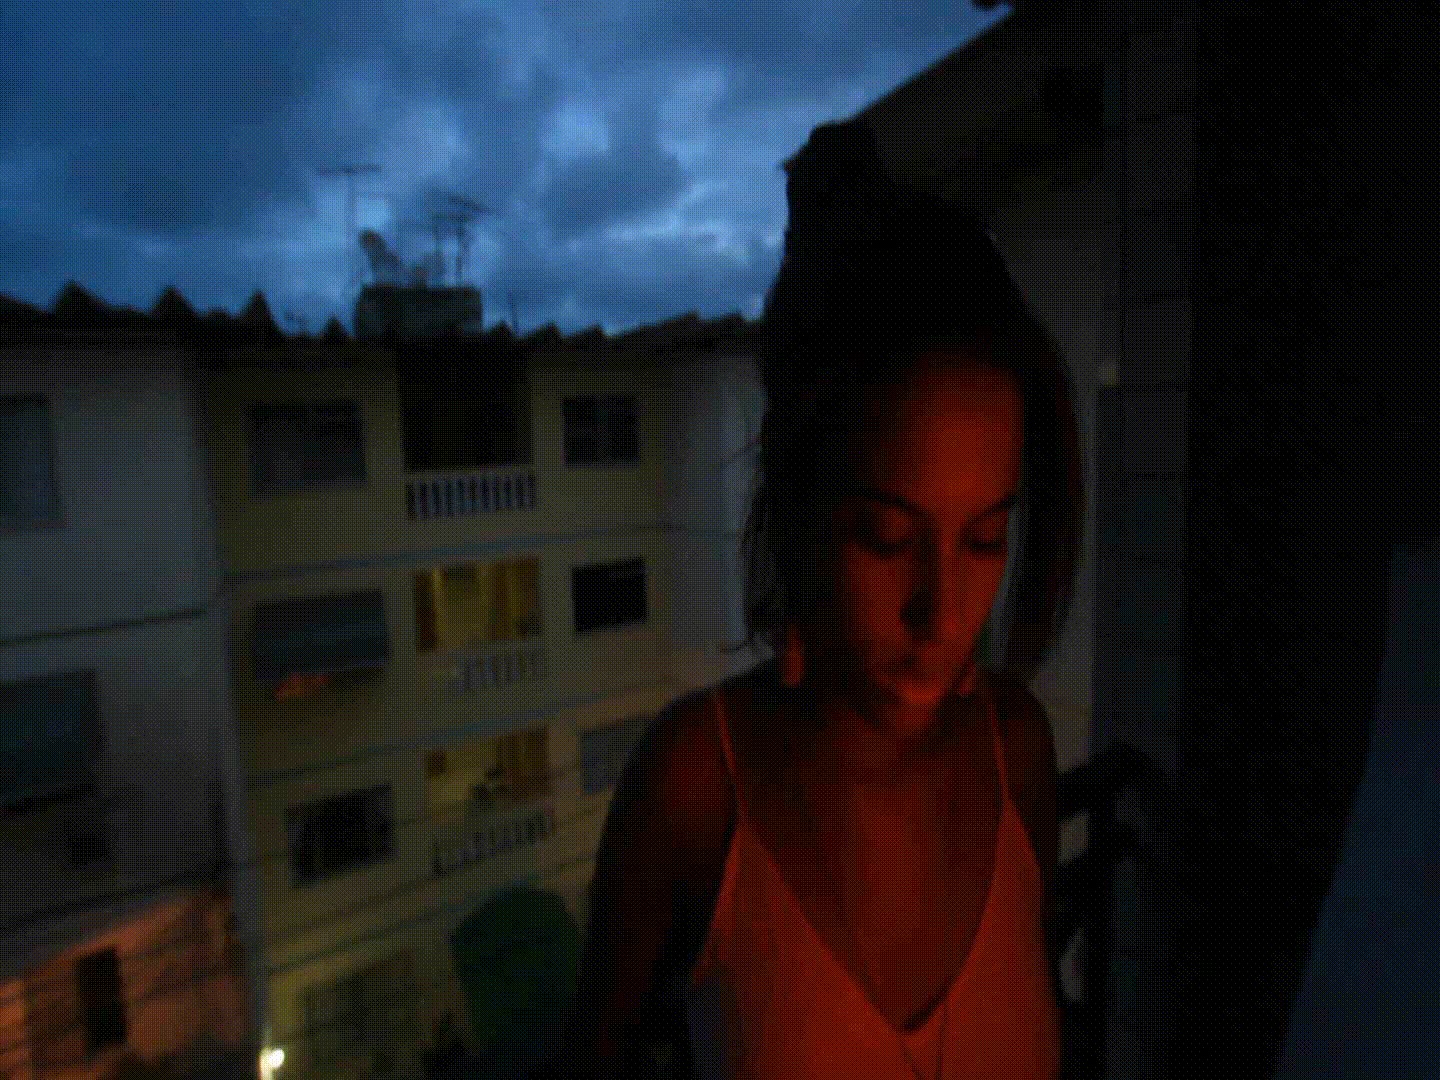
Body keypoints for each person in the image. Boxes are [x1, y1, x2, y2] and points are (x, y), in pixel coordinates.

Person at [550, 117, 1084, 1080]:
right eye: (885, 538)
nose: (942, 613)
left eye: (984, 539)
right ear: (796, 503)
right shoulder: (696, 787)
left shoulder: (1017, 753)